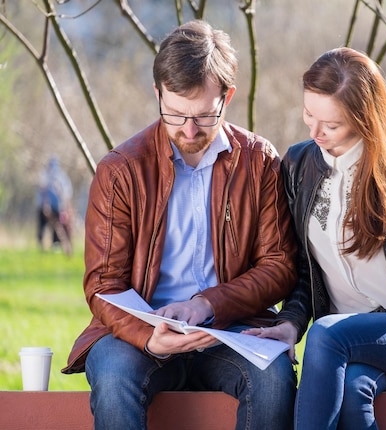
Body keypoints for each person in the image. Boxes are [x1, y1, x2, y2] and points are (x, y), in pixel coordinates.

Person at [61, 20, 297, 430]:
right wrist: (149, 336)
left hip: (231, 328)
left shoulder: (259, 162)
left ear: (228, 98)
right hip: (138, 335)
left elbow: (279, 264)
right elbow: (102, 283)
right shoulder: (120, 171)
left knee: (273, 381)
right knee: (114, 376)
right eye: (175, 113)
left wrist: (207, 303)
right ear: (158, 93)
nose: (189, 130)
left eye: (205, 116)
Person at [244, 47, 386, 429]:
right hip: (349, 349)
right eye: (308, 114)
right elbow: (304, 269)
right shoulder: (299, 166)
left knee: (329, 333)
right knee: (351, 388)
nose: (314, 132)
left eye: (330, 125)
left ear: (364, 120)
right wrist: (291, 324)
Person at [36, 156, 73, 254]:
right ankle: (41, 245)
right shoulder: (44, 175)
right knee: (42, 226)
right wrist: (45, 204)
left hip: (57, 207)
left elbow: (66, 192)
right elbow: (42, 189)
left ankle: (56, 245)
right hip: (44, 206)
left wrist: (65, 206)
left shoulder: (62, 177)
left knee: (57, 227)